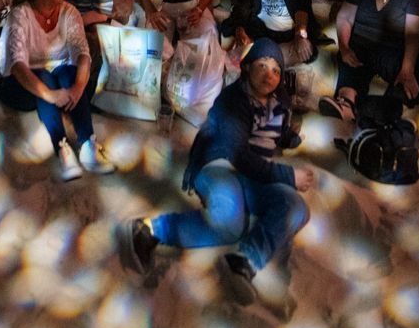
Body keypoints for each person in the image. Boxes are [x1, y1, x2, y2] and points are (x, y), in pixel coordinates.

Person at [115, 40, 315, 307]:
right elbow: (238, 155)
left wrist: (289, 138)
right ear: (246, 68)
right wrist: (289, 176)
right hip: (219, 164)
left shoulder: (278, 102)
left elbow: (275, 133)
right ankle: (149, 230)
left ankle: (243, 262)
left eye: (276, 70)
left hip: (252, 175)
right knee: (229, 224)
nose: (270, 74)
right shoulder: (233, 101)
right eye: (262, 66)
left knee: (295, 207)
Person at [0, 0, 114, 180]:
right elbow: (18, 66)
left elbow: (82, 53)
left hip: (56, 73)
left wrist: (78, 88)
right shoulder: (21, 15)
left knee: (70, 73)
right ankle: (62, 146)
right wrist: (50, 95)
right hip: (18, 82)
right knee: (45, 78)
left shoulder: (69, 12)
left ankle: (88, 143)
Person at [321, 0, 419, 123]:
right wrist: (345, 48)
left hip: (396, 49)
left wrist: (406, 69)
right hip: (362, 44)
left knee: (414, 79)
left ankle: (381, 109)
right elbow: (345, 17)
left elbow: (413, 35)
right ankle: (347, 104)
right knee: (349, 68)